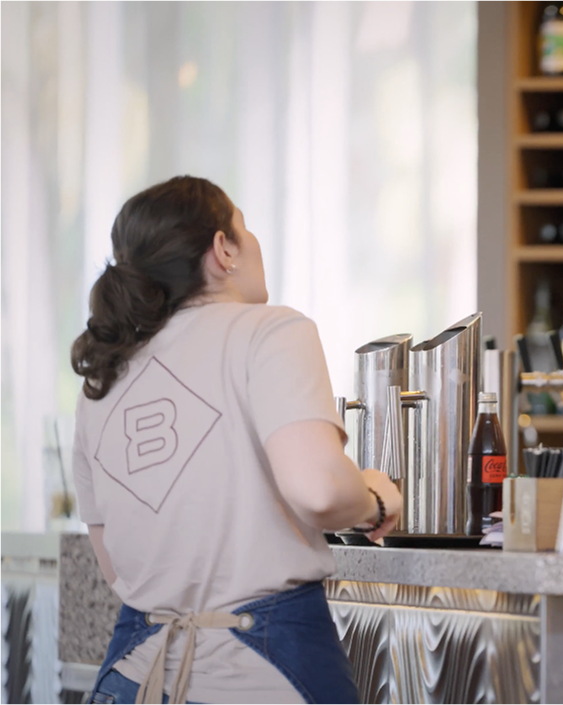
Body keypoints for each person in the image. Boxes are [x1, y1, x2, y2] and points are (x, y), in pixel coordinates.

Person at [70, 175, 403, 705]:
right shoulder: (270, 330)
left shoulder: (101, 380)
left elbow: (114, 564)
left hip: (131, 676)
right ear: (222, 249)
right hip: (263, 675)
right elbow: (320, 490)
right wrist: (374, 496)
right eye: (245, 230)